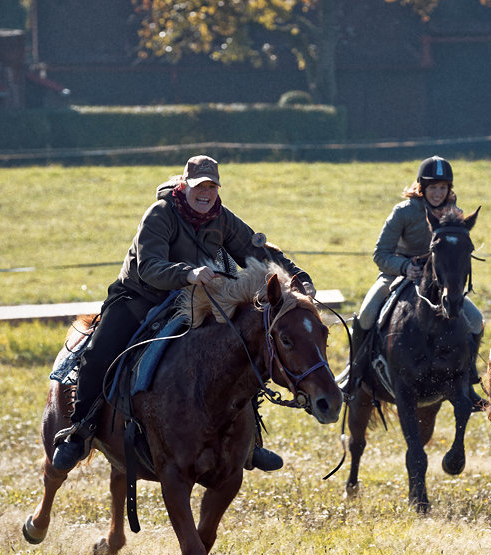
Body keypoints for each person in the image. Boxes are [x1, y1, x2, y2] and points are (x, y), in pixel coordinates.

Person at [51, 155, 315, 472]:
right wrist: (188, 274)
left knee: (241, 349)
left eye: (211, 187)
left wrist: (297, 276)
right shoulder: (160, 214)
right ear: (184, 185)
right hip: (139, 297)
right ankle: (80, 432)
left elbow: (256, 250)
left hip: (198, 297)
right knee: (98, 353)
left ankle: (249, 441)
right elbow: (149, 267)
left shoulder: (221, 217)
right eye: (198, 187)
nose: (205, 194)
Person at [341, 156, 485, 406]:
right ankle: (355, 373)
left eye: (443, 188)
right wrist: (405, 267)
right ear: (422, 188)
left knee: (476, 321)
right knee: (365, 315)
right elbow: (380, 254)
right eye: (433, 188)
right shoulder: (403, 212)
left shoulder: (454, 214)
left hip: (436, 280)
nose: (438, 193)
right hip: (397, 273)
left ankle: (468, 376)